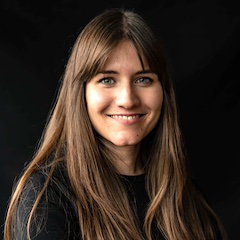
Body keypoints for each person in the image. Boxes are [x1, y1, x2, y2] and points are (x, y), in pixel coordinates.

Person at [4, 8, 227, 240]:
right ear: (80, 93)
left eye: (143, 79)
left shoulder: (188, 200)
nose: (128, 100)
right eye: (107, 80)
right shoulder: (49, 197)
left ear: (163, 91)